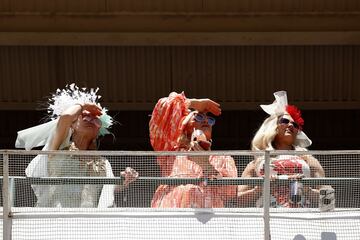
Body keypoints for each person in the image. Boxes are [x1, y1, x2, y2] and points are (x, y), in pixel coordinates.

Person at [15, 84, 138, 208]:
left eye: (96, 120)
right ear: (72, 125)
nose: (90, 120)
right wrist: (83, 105)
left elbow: (108, 190)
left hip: (87, 223)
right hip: (55, 219)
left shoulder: (102, 163)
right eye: (85, 116)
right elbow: (66, 117)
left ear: (98, 132)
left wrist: (124, 181)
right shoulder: (56, 150)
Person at [237, 90, 328, 208]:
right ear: (273, 126)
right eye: (285, 121)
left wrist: (306, 189)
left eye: (295, 125)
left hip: (302, 221)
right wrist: (260, 189)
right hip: (267, 220)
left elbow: (329, 200)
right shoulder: (257, 161)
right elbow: (238, 200)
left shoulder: (308, 159)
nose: (291, 125)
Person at [149, 91, 238, 208]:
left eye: (210, 120)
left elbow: (231, 192)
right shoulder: (170, 149)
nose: (206, 121)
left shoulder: (224, 159)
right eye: (199, 117)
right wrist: (193, 103)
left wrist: (207, 166)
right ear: (184, 126)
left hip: (209, 217)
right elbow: (161, 111)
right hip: (172, 214)